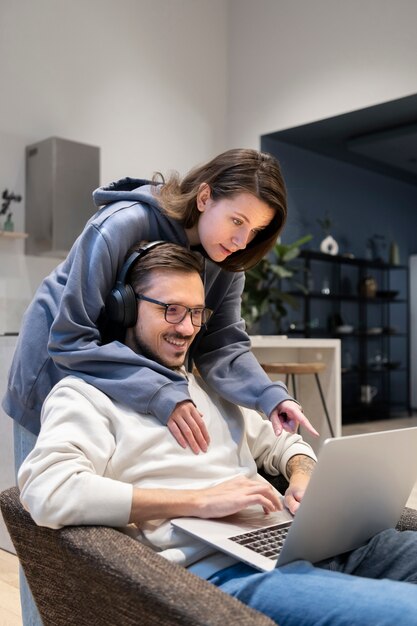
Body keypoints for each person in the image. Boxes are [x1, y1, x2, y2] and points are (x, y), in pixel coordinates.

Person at [18, 242, 417, 626]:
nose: (187, 328)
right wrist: (197, 501)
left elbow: (283, 442)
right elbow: (47, 490)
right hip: (235, 575)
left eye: (196, 312)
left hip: (306, 544)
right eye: (171, 310)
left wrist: (302, 476)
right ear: (125, 308)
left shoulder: (209, 385)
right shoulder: (86, 394)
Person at [5, 148, 315, 625]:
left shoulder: (226, 260)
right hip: (54, 374)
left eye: (254, 231)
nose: (241, 238)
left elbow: (222, 345)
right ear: (205, 196)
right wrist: (159, 390)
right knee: (47, 536)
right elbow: (69, 337)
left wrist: (271, 396)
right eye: (236, 220)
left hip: (130, 376)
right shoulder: (122, 224)